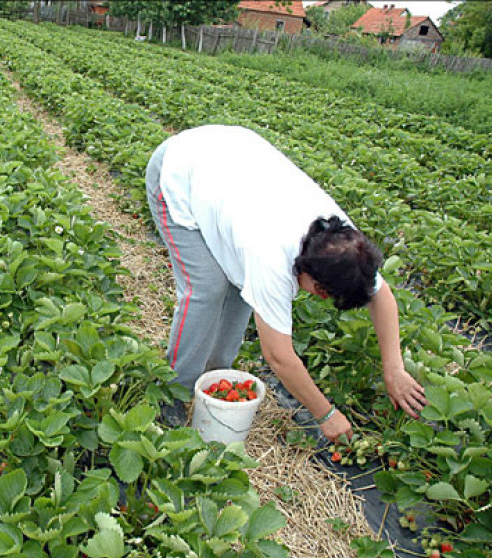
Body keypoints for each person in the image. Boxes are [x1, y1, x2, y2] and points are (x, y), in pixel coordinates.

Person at [145, 125, 427, 442]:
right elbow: (279, 355)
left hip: (231, 162)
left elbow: (382, 295)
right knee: (207, 290)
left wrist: (394, 369)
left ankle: (214, 374)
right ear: (320, 288)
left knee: (241, 287)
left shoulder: (344, 245)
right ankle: (173, 390)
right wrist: (327, 414)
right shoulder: (271, 259)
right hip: (179, 171)